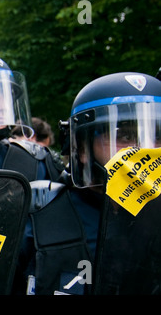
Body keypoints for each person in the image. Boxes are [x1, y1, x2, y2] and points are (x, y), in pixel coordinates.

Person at [14, 71, 161, 295]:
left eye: (157, 136)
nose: (144, 149)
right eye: (124, 136)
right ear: (82, 148)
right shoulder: (34, 218)